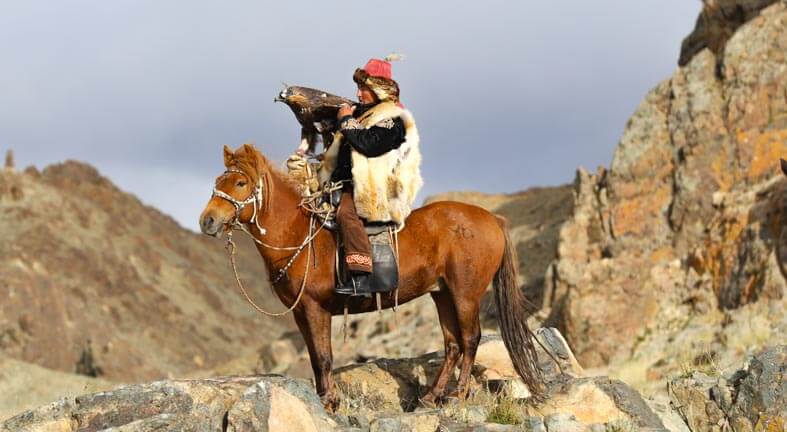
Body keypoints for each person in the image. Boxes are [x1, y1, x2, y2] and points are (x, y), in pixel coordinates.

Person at [325, 56, 422, 295]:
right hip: (349, 183)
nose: (358, 95)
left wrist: (346, 120)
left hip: (378, 188)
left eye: (364, 89)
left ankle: (362, 277)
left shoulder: (393, 119)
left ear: (378, 90)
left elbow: (369, 145)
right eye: (358, 89)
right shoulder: (364, 115)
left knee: (347, 213)